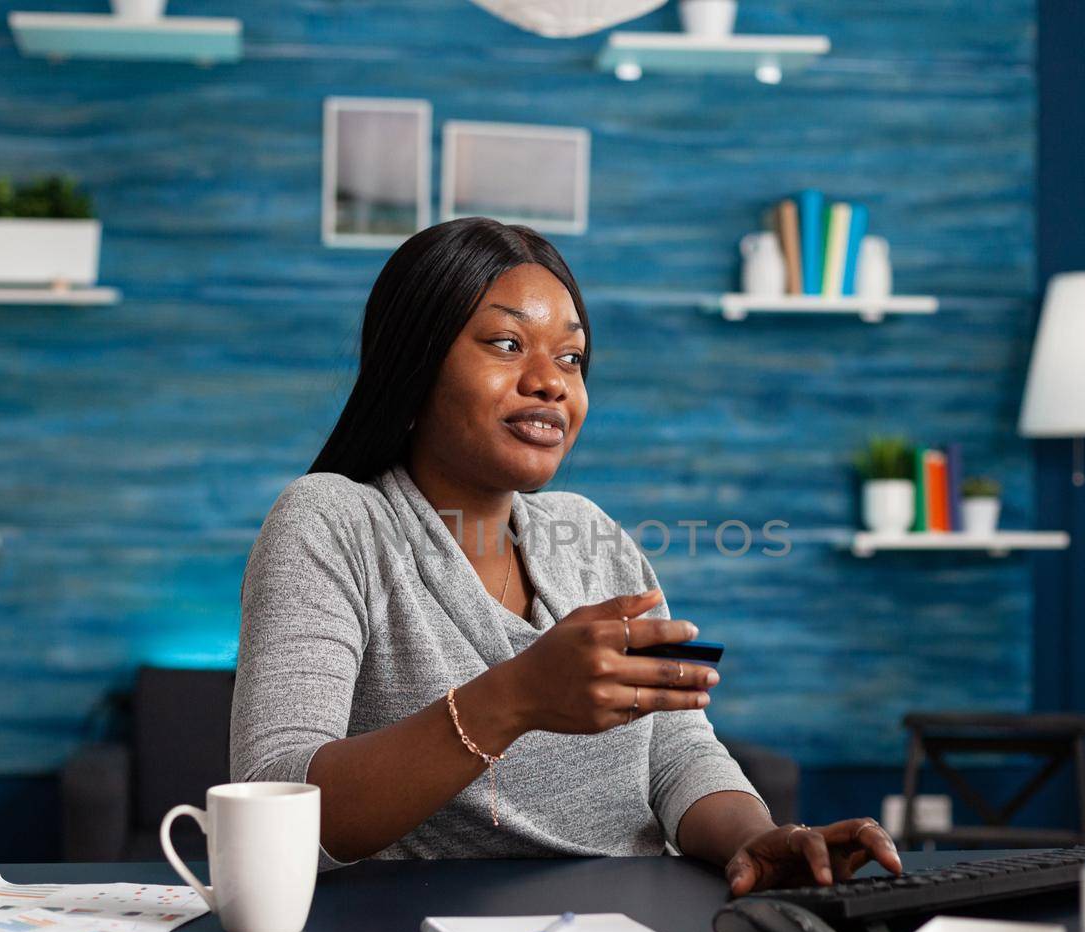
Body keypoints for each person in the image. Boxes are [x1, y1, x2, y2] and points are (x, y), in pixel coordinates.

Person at [230, 216, 901, 895]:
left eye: (571, 358)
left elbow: (677, 753)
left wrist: (754, 838)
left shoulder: (593, 536)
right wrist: (515, 698)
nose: (550, 382)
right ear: (413, 367)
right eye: (507, 342)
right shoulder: (332, 522)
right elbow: (274, 795)